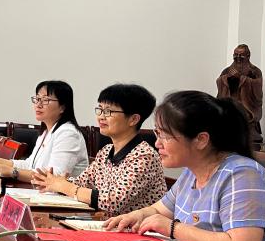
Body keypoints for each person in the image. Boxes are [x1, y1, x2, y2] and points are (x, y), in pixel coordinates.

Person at [107, 91, 265, 241]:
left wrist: (172, 228)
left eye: (165, 135)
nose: (157, 143)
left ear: (201, 140)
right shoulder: (191, 172)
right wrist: (136, 216)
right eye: (157, 133)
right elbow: (159, 210)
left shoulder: (242, 175)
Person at [34, 84, 166, 216]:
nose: (101, 117)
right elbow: (82, 182)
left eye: (108, 111)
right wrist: (53, 182)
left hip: (139, 227)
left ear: (133, 119)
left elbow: (112, 201)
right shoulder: (106, 151)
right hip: (106, 223)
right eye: (100, 110)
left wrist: (65, 187)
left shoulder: (144, 156)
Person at [0, 80, 88, 181]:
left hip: (62, 196)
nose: (38, 105)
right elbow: (30, 165)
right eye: (37, 99)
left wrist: (12, 172)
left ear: (62, 107)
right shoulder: (45, 132)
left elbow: (56, 177)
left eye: (45, 100)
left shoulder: (68, 133)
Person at [215, 44, 263, 143]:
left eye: (241, 55)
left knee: (244, 113)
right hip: (230, 100)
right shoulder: (227, 70)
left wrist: (241, 78)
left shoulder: (254, 71)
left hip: (246, 103)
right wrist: (226, 78)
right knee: (224, 112)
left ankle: (247, 133)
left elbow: (257, 86)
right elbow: (219, 81)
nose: (238, 57)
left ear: (248, 55)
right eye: (235, 55)